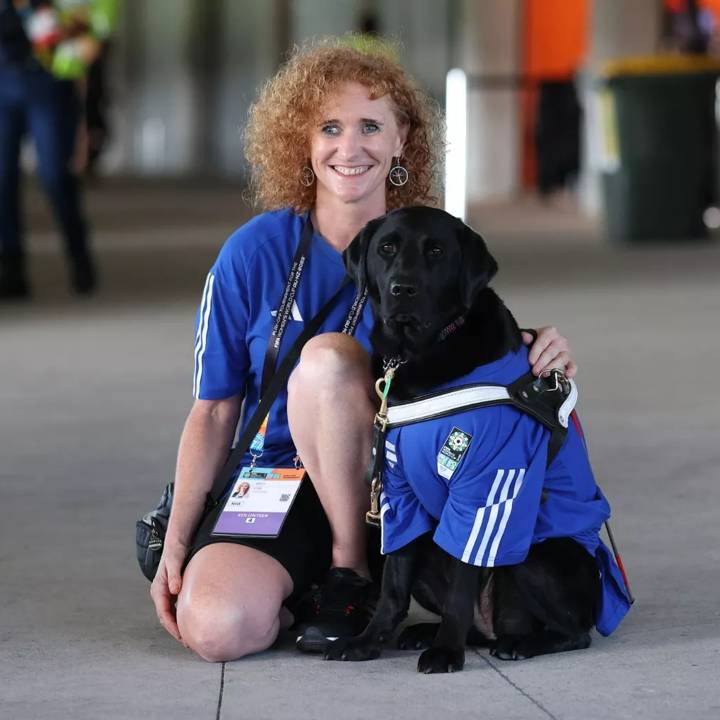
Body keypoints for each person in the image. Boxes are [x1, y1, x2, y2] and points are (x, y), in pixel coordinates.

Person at [150, 39, 578, 663]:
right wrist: (178, 542)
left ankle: (350, 572)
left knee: (327, 360)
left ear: (403, 139)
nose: (350, 148)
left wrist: (546, 349)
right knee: (215, 628)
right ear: (304, 140)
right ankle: (304, 585)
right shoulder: (253, 253)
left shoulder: (431, 245)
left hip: (402, 492)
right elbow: (214, 411)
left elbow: (480, 351)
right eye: (330, 127)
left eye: (371, 126)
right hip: (279, 481)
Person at [0, 0, 116, 299]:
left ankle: (79, 257)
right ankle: (11, 270)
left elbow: (91, 32)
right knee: (3, 180)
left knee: (54, 177)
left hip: (49, 81)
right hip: (4, 79)